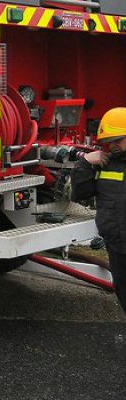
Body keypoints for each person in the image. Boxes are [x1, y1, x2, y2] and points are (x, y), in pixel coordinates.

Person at [72, 107, 126, 314]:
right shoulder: (105, 165)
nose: (112, 146)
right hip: (118, 245)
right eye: (109, 141)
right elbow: (80, 193)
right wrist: (85, 163)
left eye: (118, 140)